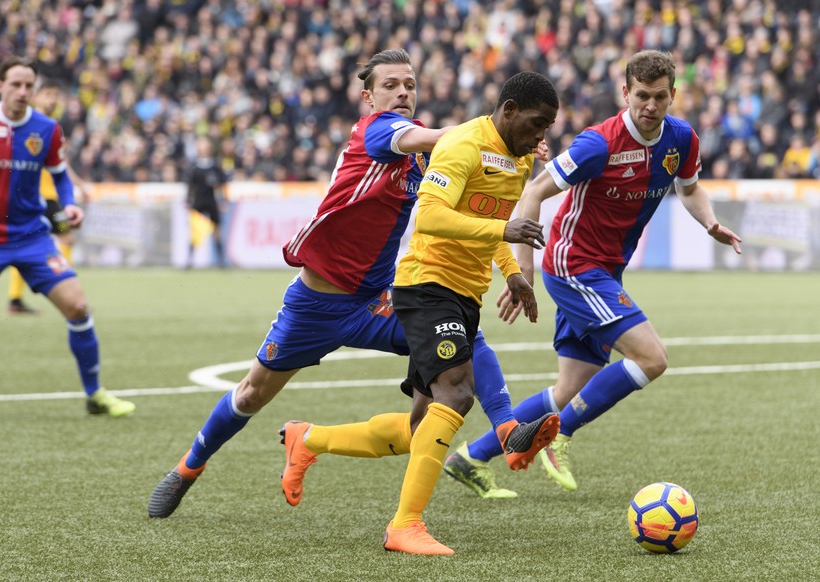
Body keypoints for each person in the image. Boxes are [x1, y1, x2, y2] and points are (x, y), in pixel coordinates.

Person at [148, 49, 556, 524]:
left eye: (409, 83)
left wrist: (510, 259)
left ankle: (504, 429)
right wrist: (493, 141)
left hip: (376, 300)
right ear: (368, 97)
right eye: (390, 85)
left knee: (459, 354)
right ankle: (188, 468)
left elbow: (475, 214)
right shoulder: (378, 130)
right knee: (251, 395)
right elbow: (443, 138)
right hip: (316, 303)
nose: (402, 92)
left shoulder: (431, 157)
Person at [443, 50, 742, 498]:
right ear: (626, 93)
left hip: (607, 271)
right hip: (573, 265)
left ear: (673, 95)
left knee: (568, 388)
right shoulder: (598, 143)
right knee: (651, 359)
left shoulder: (681, 139)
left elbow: (691, 188)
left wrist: (710, 222)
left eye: (660, 96)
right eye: (641, 95)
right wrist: (521, 269)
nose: (650, 105)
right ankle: (560, 433)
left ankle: (470, 457)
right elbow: (533, 193)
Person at [375, 70, 558, 555]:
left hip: (464, 293)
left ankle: (309, 441)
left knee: (419, 423)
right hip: (425, 281)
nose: (541, 137)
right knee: (456, 394)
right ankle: (405, 526)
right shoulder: (461, 143)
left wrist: (513, 274)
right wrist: (505, 236)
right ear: (510, 109)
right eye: (537, 123)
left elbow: (494, 223)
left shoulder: (517, 160)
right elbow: (432, 215)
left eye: (549, 128)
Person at [0, 56, 135, 417]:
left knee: (78, 307)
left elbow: (61, 176)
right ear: (0, 85)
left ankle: (95, 394)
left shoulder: (47, 129)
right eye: (15, 84)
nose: (22, 92)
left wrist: (70, 205)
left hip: (32, 237)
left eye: (28, 86)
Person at [6, 79, 89, 314]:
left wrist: (79, 184)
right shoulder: (32, 124)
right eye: (48, 94)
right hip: (39, 196)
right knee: (61, 240)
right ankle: (61, 291)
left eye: (56, 95)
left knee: (39, 242)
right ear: (36, 96)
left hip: (47, 194)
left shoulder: (49, 126)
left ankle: (17, 299)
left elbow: (60, 165)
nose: (52, 100)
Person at [185, 135, 228, 268]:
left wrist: (222, 200)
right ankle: (189, 261)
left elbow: (220, 185)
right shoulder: (194, 165)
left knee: (216, 231)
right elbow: (190, 186)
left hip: (212, 200)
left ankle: (221, 261)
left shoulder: (215, 164)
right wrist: (188, 200)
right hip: (198, 200)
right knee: (196, 231)